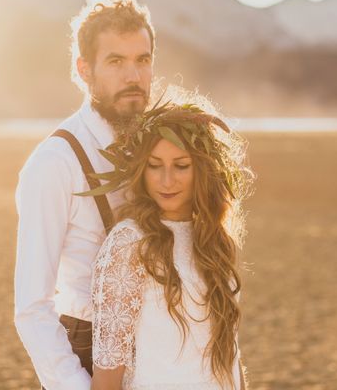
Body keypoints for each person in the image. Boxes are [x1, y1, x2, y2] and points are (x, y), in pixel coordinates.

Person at [14, 0, 156, 390]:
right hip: (87, 347)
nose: (133, 75)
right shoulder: (55, 162)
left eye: (142, 60)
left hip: (154, 346)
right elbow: (32, 306)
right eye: (115, 61)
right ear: (84, 69)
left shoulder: (158, 145)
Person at [86, 94, 253, 389]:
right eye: (154, 165)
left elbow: (230, 354)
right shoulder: (129, 243)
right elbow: (108, 372)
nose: (166, 180)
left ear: (202, 169)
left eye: (180, 165)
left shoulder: (215, 239)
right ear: (141, 169)